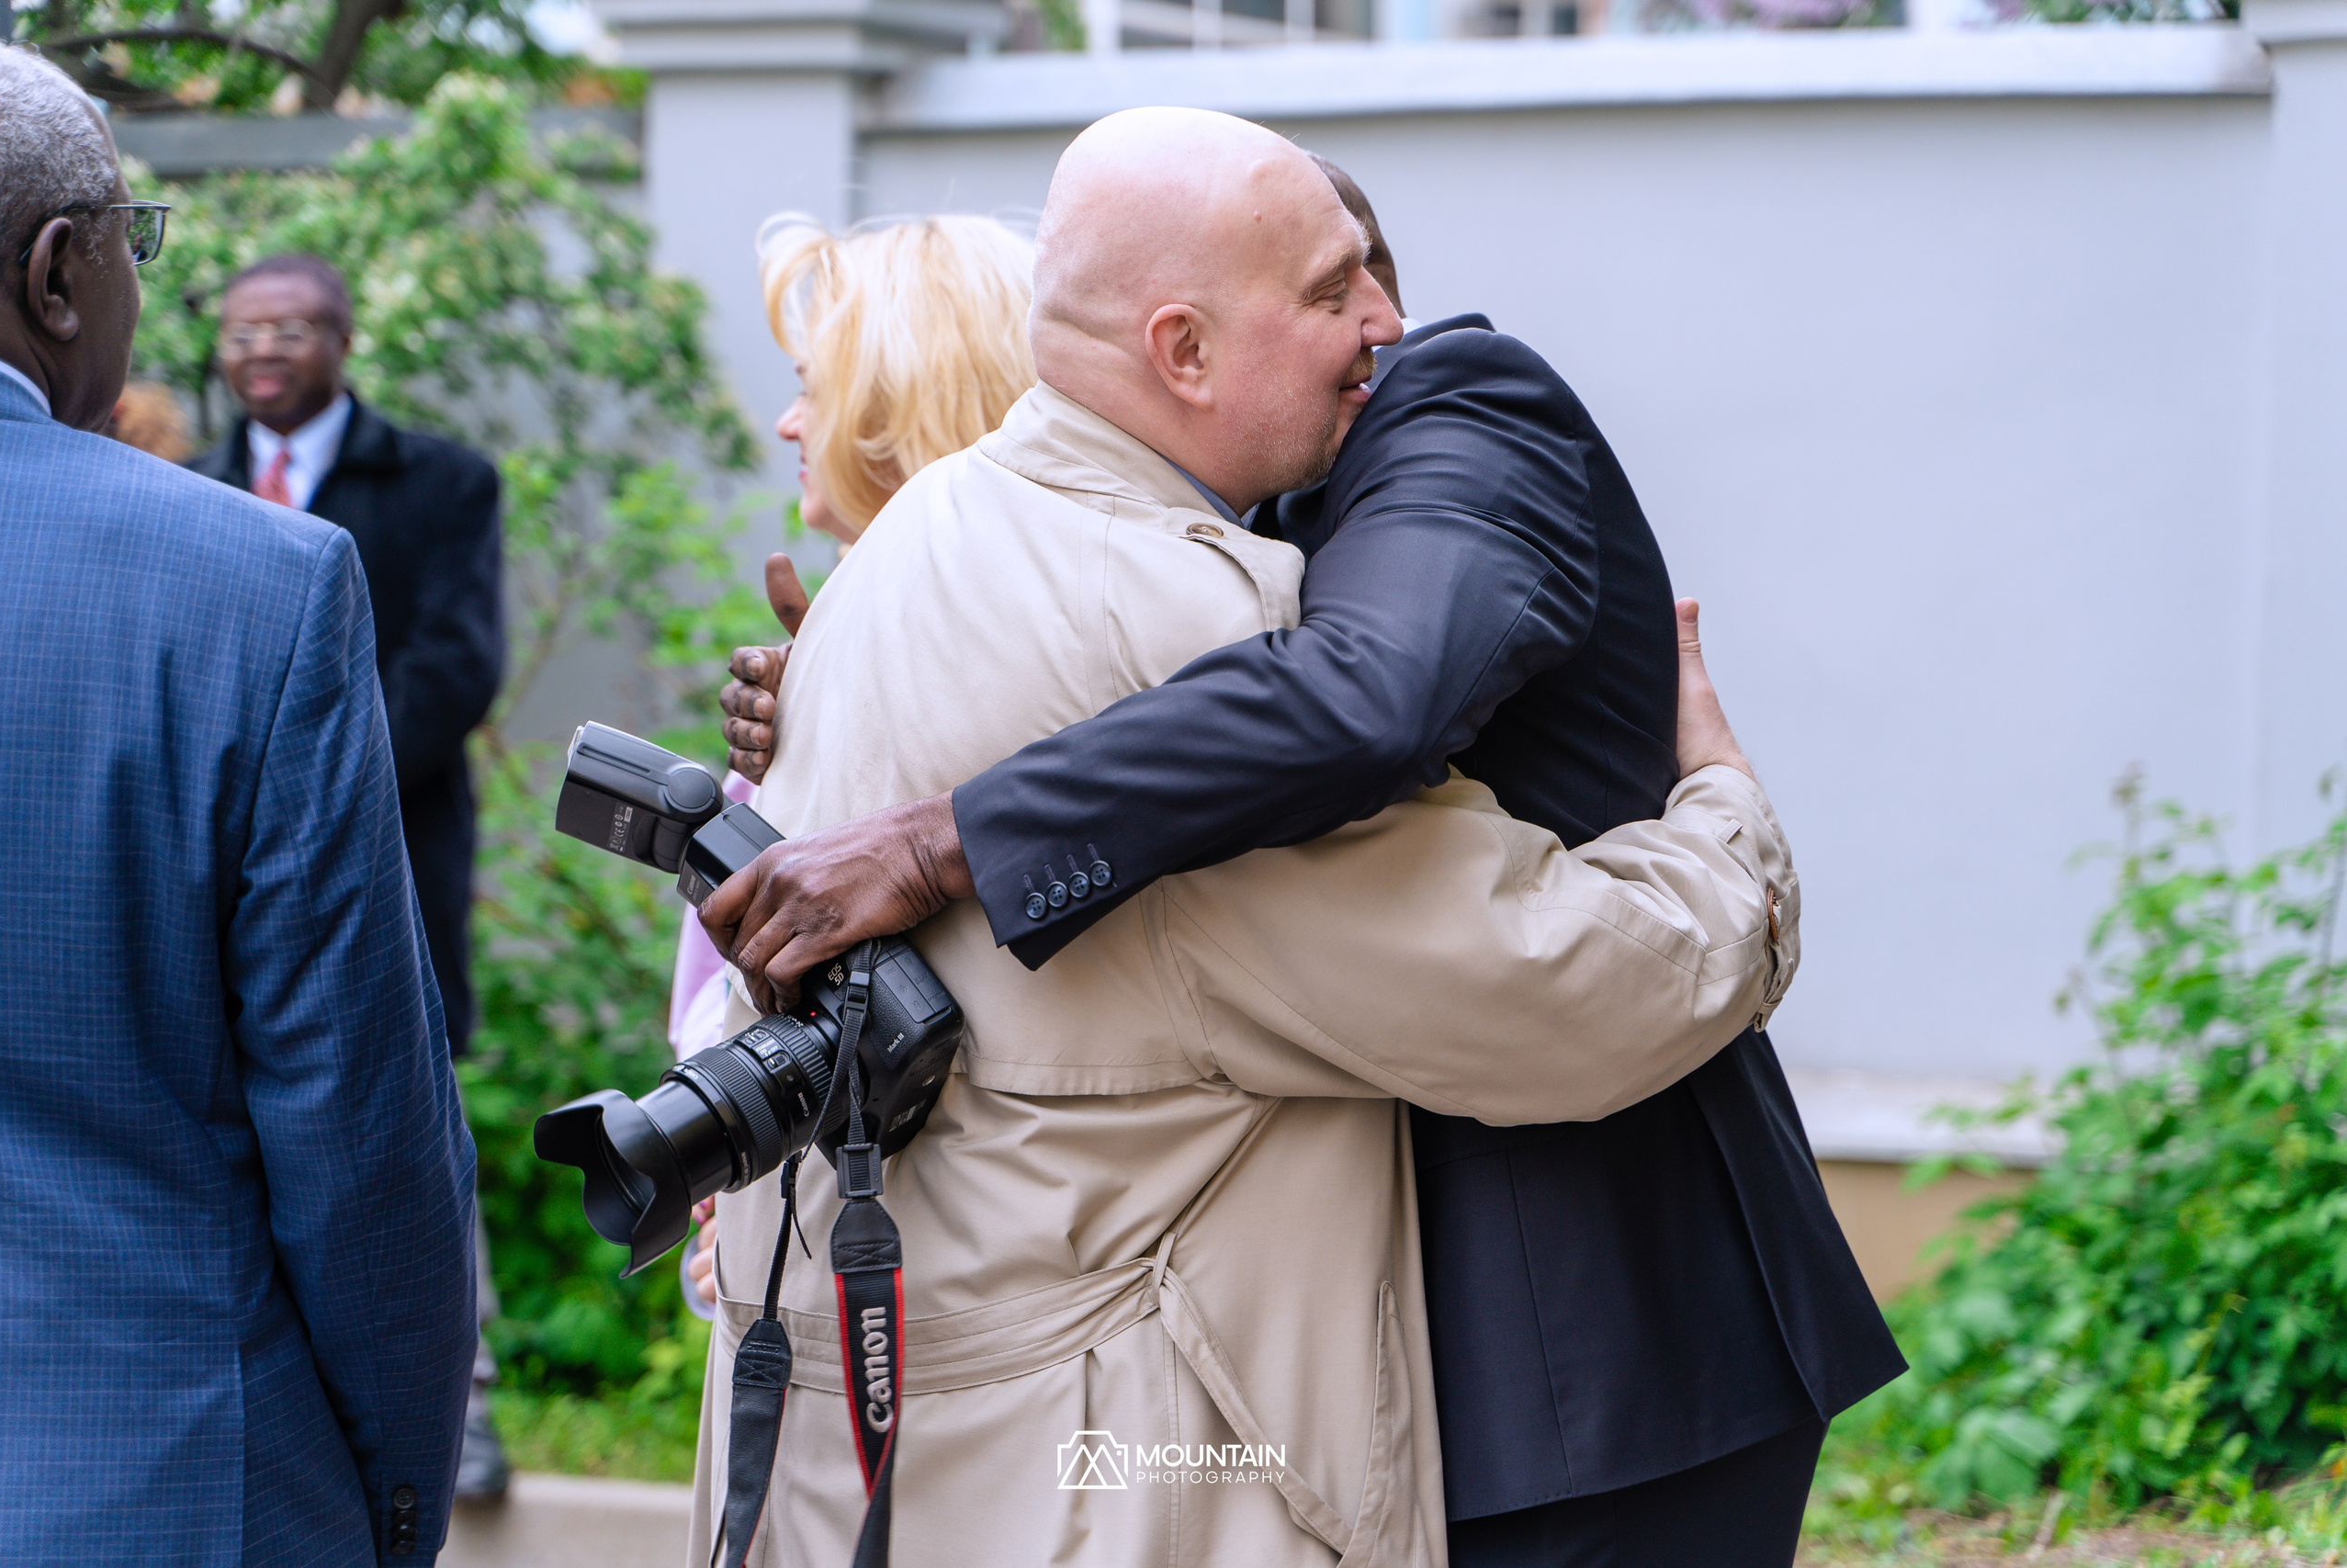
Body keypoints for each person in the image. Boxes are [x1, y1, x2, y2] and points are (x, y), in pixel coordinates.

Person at [710, 141, 1903, 1565]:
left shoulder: (1453, 406)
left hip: (1595, 1344)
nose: (1382, 328)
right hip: (1257, 1385)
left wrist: (1729, 822)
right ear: (1186, 347)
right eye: (1334, 291)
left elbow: (1369, 691)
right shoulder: (1117, 581)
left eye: (1365, 275)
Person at [0, 44, 477, 1566]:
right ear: (60, 273)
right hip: (163, 1481)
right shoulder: (247, 588)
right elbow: (356, 1141)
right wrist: (401, 1487)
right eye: (137, 245)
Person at [672, 211, 1040, 1316]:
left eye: (811, 388)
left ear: (899, 407)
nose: (788, 422)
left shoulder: (1010, 662)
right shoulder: (825, 646)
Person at [186, 252, 512, 1495]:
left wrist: (307, 778)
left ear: (341, 337)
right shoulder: (191, 486)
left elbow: (458, 661)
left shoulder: (440, 482)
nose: (259, 350)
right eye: (238, 330)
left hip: (390, 854)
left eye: (287, 328)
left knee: (407, 1107)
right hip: (215, 873)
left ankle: (462, 1406)